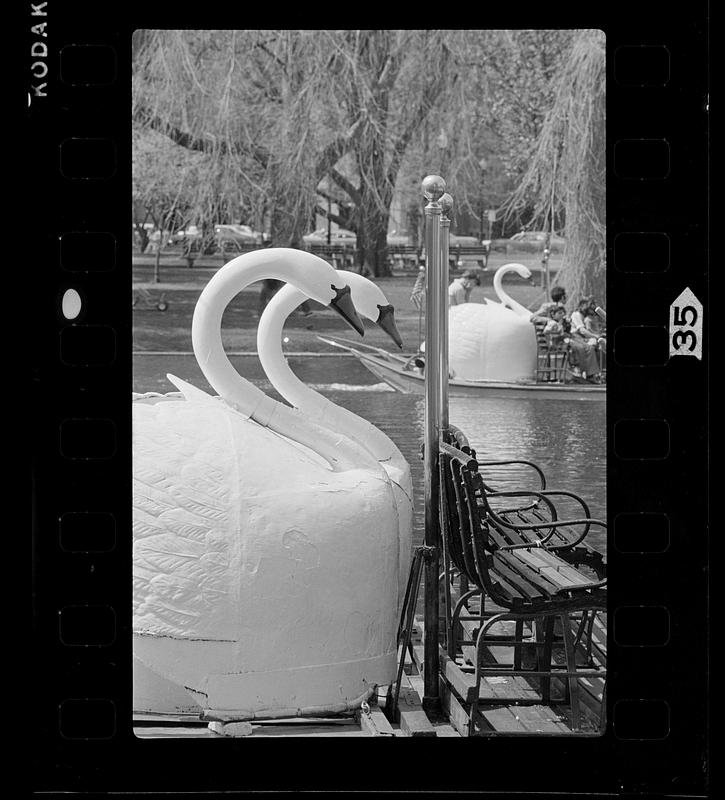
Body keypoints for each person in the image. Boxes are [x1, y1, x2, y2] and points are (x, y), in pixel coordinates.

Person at [567, 297, 603, 381]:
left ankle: (596, 373)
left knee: (597, 346)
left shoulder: (586, 316)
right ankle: (590, 374)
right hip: (575, 337)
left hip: (582, 338)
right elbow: (582, 330)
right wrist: (595, 336)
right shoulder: (576, 314)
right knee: (589, 348)